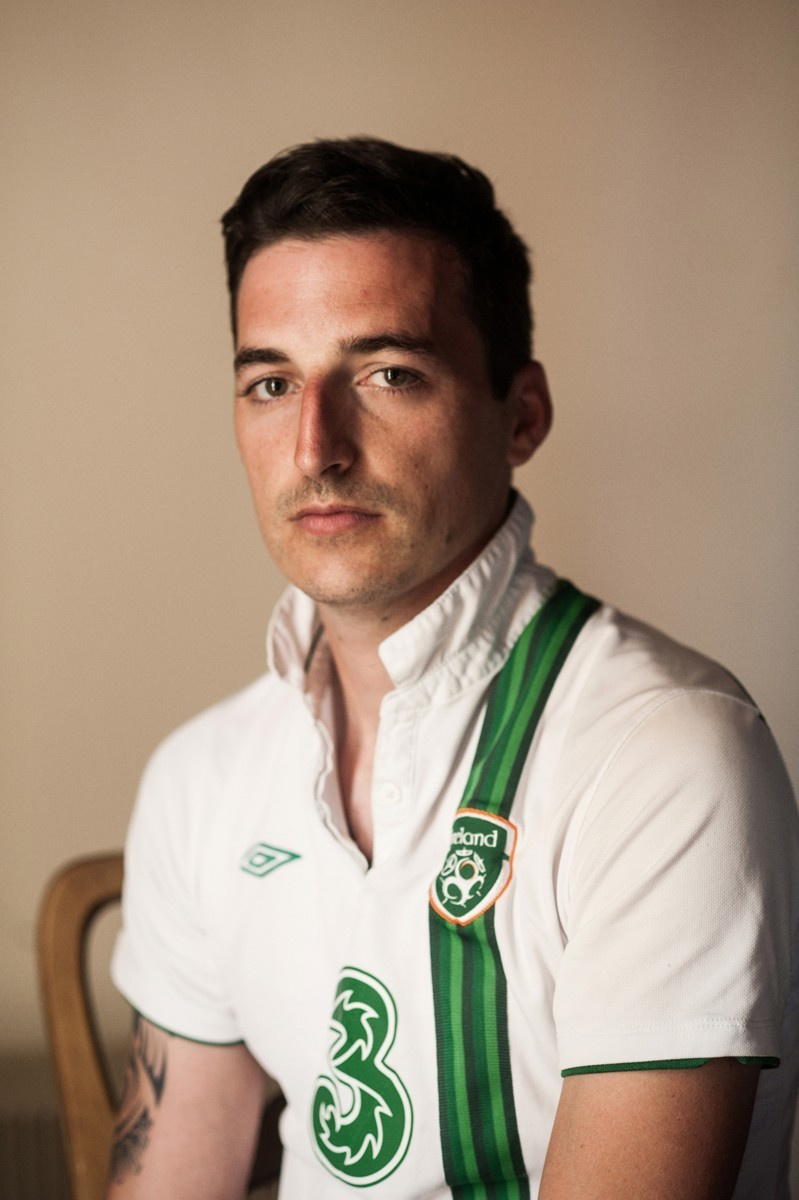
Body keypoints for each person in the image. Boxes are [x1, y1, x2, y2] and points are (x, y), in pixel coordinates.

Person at [107, 137, 798, 1200]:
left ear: (519, 415)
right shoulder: (201, 777)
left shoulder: (664, 757)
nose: (314, 448)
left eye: (386, 373)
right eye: (270, 382)